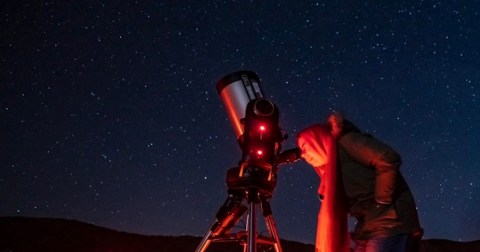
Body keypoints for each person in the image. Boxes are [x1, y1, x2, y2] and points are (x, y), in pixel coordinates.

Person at [296, 112, 422, 252]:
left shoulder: (347, 142)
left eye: (305, 146)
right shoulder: (330, 171)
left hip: (389, 222)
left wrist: (382, 201)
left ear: (317, 141)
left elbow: (388, 158)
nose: (303, 154)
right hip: (367, 228)